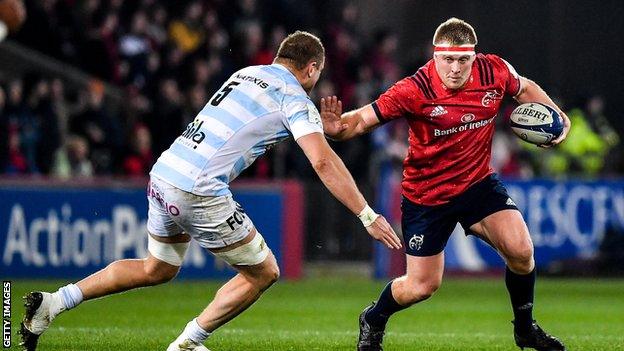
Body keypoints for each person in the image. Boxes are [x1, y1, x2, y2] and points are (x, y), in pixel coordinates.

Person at [19, 30, 402, 351]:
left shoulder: (246, 73)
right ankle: (188, 342)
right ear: (312, 68)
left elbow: (258, 119)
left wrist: (322, 126)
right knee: (264, 272)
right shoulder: (294, 97)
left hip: (166, 173)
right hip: (199, 190)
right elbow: (322, 161)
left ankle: (55, 302)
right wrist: (367, 214)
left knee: (158, 267)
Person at [320, 18, 570, 351]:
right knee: (421, 286)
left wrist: (557, 115)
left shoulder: (494, 71)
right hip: (427, 196)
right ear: (435, 56)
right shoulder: (414, 89)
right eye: (447, 59)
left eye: (463, 60)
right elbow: (363, 119)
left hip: (477, 184)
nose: (455, 68)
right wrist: (339, 128)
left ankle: (525, 329)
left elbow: (524, 88)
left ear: (474, 57)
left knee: (522, 252)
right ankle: (374, 318)